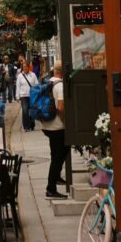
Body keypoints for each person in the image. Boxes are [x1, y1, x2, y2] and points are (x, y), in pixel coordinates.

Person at [41, 60, 68, 199]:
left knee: (55, 155)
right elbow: (61, 108)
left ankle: (56, 178)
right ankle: (51, 188)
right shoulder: (61, 86)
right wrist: (67, 122)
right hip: (58, 126)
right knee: (58, 157)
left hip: (47, 125)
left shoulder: (48, 82)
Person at [16, 61, 38, 132]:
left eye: (26, 67)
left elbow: (36, 85)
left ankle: (32, 124)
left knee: (31, 111)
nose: (24, 68)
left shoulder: (33, 75)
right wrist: (17, 96)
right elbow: (18, 86)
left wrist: (36, 93)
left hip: (32, 96)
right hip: (23, 96)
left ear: (29, 67)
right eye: (23, 67)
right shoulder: (20, 76)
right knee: (25, 111)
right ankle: (26, 127)